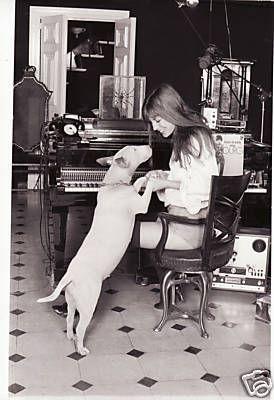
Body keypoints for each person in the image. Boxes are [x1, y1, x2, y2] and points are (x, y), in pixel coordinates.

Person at [132, 84, 219, 302]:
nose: (155, 127)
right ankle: (171, 289)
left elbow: (203, 187)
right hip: (183, 224)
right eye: (152, 122)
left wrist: (164, 183)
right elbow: (187, 177)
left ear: (170, 111)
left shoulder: (193, 138)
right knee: (119, 231)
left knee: (117, 234)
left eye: (158, 120)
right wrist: (162, 175)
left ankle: (83, 289)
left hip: (188, 232)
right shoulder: (190, 136)